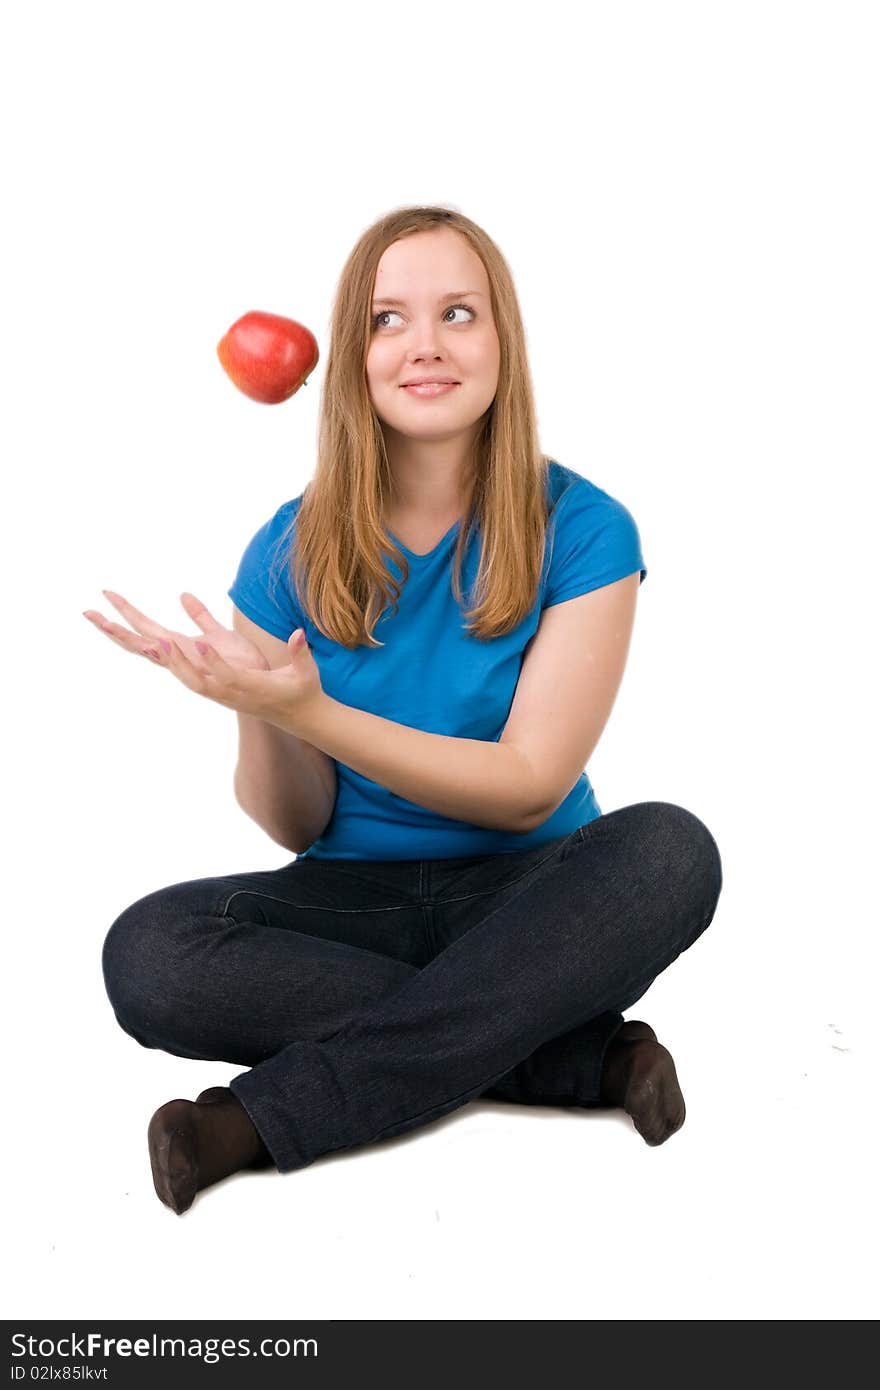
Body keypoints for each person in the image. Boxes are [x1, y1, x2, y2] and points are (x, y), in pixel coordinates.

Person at [85, 205, 723, 1215]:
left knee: (671, 851)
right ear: (354, 359)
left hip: (535, 896)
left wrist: (318, 712)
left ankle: (252, 1123)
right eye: (389, 319)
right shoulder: (284, 550)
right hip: (352, 912)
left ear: (502, 344)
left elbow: (526, 789)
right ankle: (565, 1055)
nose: (425, 343)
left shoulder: (587, 528)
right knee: (148, 954)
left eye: (458, 313)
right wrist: (262, 708)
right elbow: (295, 823)